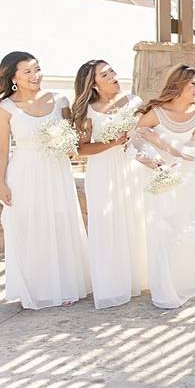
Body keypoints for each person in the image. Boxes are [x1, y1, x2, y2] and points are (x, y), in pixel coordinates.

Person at [0, 51, 90, 309]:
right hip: (23, 173)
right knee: (29, 227)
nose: (35, 76)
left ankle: (66, 285)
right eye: (28, 72)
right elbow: (1, 150)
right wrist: (1, 183)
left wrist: (69, 145)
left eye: (37, 69)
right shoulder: (4, 109)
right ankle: (36, 288)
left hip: (56, 171)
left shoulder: (60, 100)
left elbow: (73, 138)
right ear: (14, 77)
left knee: (60, 223)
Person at [135, 65, 195, 309]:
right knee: (163, 229)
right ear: (179, 85)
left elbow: (191, 155)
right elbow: (134, 141)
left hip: (186, 178)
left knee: (188, 227)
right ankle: (165, 286)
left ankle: (189, 281)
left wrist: (158, 141)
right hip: (159, 178)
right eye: (194, 84)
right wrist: (151, 159)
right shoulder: (156, 113)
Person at [73, 59, 148, 309]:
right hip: (103, 171)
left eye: (113, 71)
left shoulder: (133, 102)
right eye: (106, 74)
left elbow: (147, 132)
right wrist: (112, 143)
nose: (114, 76)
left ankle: (138, 278)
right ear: (94, 85)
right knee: (107, 223)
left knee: (134, 220)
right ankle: (112, 284)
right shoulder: (88, 111)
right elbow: (81, 149)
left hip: (131, 169)